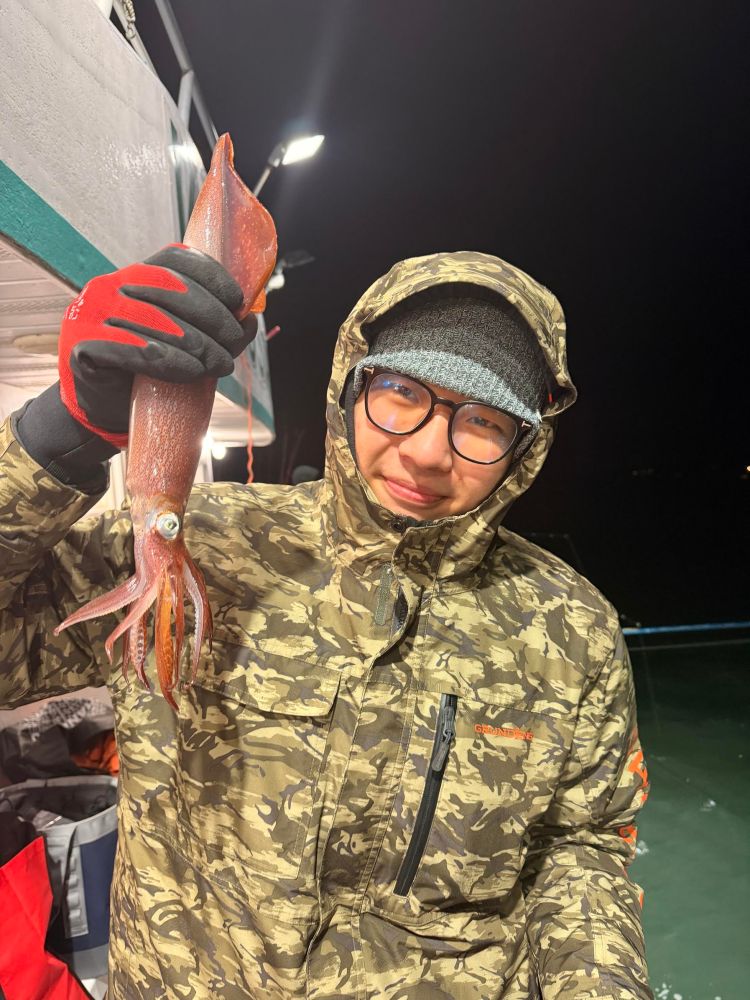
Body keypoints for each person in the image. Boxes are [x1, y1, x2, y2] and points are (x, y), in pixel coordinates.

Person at [0, 246, 652, 999]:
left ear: (525, 448)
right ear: (351, 385)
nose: (428, 452)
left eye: (483, 421)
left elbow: (580, 847)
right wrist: (60, 435)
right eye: (401, 392)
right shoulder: (198, 544)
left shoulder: (573, 626)